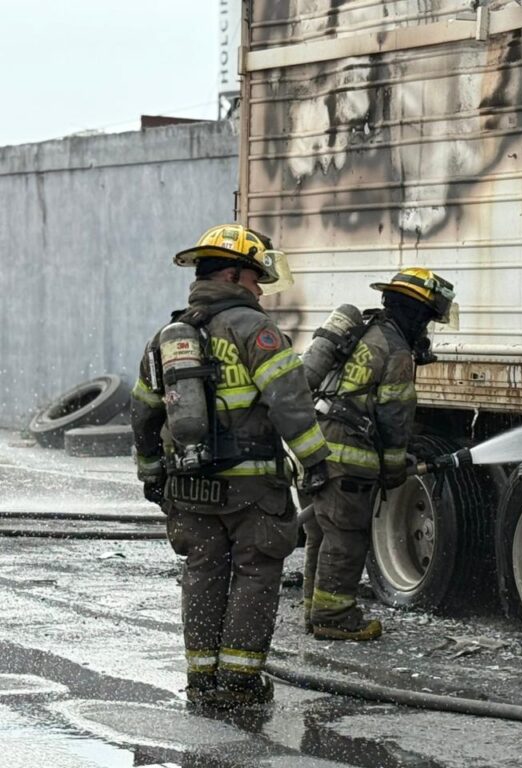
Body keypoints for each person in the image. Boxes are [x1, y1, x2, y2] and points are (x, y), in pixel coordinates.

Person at [130, 224, 330, 709]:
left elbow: (143, 411)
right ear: (235, 274)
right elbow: (290, 400)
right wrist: (315, 462)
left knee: (202, 571)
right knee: (256, 572)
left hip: (188, 481)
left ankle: (201, 677)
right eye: (256, 277)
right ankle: (239, 681)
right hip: (251, 484)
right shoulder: (254, 329)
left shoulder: (168, 337)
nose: (260, 289)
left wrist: (152, 472)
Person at [302, 267, 456, 640]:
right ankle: (334, 617)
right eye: (427, 321)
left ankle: (315, 608)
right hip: (349, 452)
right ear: (416, 314)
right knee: (347, 536)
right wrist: (392, 467)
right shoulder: (397, 352)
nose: (427, 330)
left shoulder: (363, 331)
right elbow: (394, 416)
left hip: (316, 441)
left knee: (321, 531)